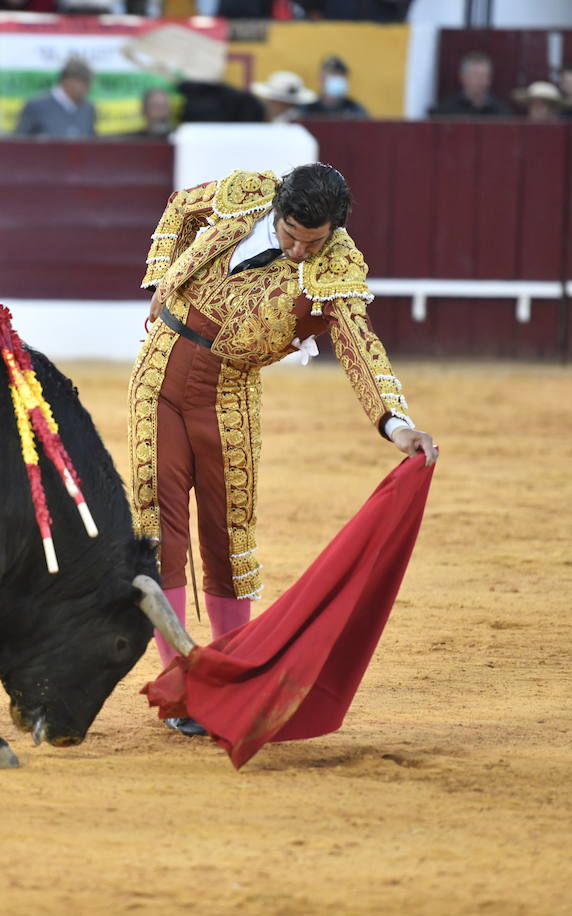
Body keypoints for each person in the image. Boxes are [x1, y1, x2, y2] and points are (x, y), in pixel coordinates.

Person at [128, 164, 437, 736]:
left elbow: (359, 346)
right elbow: (178, 208)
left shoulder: (337, 268)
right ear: (279, 210)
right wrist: (165, 281)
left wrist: (396, 423)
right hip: (158, 376)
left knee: (227, 534)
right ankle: (179, 681)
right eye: (290, 233)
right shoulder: (246, 193)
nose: (297, 250)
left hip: (228, 394)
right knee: (156, 524)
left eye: (312, 241)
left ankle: (227, 674)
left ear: (335, 231)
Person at [14, 57, 97, 138]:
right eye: (85, 84)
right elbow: (19, 142)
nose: (88, 89)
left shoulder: (87, 109)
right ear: (68, 80)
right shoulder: (36, 106)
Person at [431, 50, 508, 117]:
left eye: (484, 76)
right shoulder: (445, 112)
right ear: (462, 78)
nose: (480, 80)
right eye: (475, 75)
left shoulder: (501, 113)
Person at [300, 55, 368, 119]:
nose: (337, 79)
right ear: (321, 78)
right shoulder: (307, 108)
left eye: (341, 75)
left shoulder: (354, 109)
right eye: (333, 74)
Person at [249, 70, 316, 123]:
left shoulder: (299, 120)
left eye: (290, 105)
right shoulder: (252, 118)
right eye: (279, 102)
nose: (285, 108)